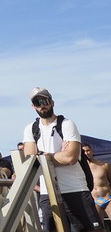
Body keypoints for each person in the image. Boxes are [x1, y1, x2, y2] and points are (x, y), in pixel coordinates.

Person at [21, 87, 102, 232]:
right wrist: (58, 155)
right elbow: (30, 161)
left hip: (75, 189)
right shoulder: (30, 129)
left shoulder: (66, 124)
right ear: (32, 106)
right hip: (47, 192)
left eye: (45, 100)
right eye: (37, 102)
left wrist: (44, 157)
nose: (42, 105)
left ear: (52, 102)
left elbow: (70, 157)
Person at [84, 143, 111, 221]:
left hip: (108, 198)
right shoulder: (81, 169)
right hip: (94, 201)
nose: (86, 153)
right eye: (84, 151)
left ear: (92, 151)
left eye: (88, 150)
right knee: (99, 228)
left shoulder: (104, 165)